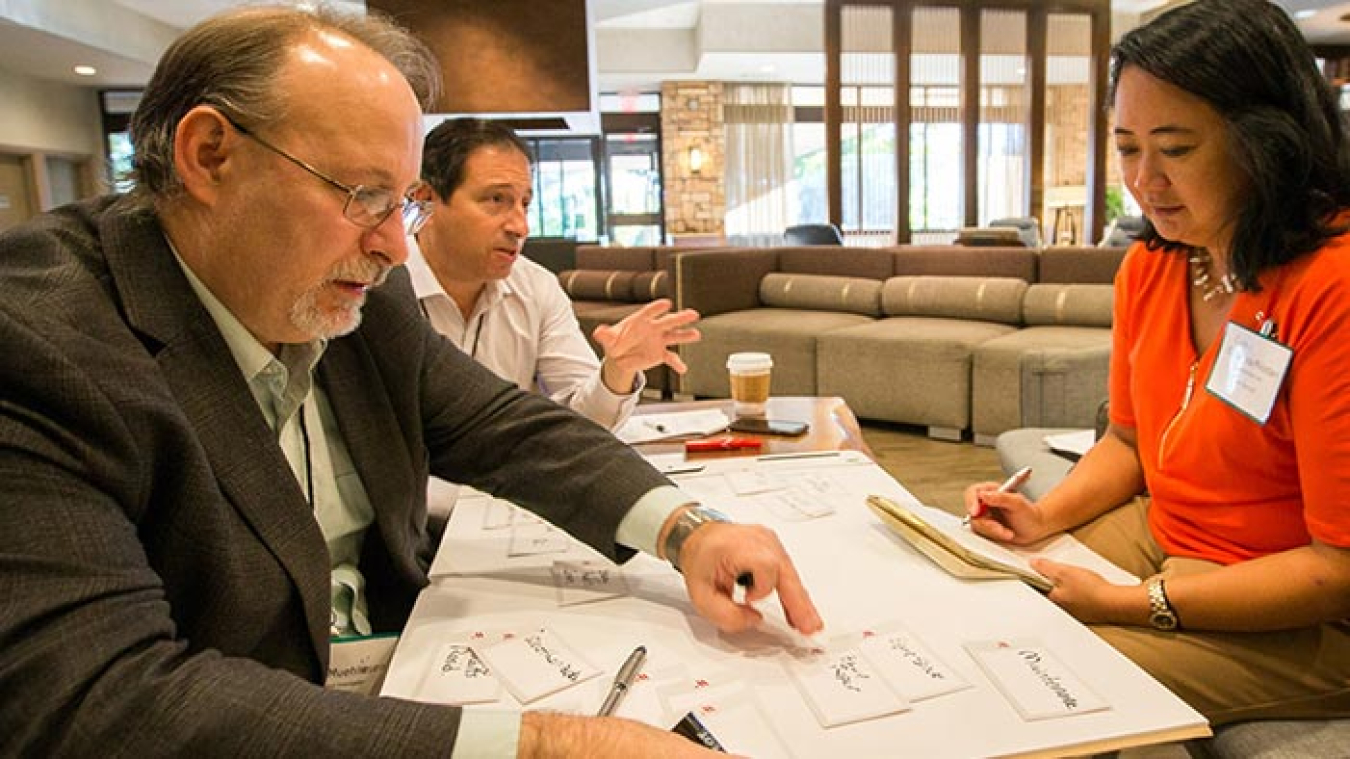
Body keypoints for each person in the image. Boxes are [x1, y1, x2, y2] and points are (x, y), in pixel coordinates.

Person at [0, 6, 822, 756]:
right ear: (210, 155)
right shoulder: (37, 342)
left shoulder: (356, 288)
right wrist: (542, 746)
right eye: (362, 195)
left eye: (404, 204)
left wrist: (686, 527)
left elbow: (506, 425)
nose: (396, 247)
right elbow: (97, 699)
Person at [964, 0, 1350, 726]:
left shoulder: (1333, 285)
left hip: (1301, 603)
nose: (1145, 180)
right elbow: (1128, 442)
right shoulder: (1153, 267)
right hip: (1169, 531)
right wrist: (1041, 515)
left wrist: (1130, 603)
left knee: (1046, 672)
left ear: (1267, 143)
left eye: (1175, 149)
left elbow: (1338, 569)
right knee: (975, 597)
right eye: (1127, 147)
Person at [407, 117, 699, 431]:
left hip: (505, 478)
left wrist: (616, 371)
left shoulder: (536, 287)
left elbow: (583, 425)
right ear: (426, 199)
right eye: (496, 199)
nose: (520, 227)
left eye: (525, 203)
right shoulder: (376, 289)